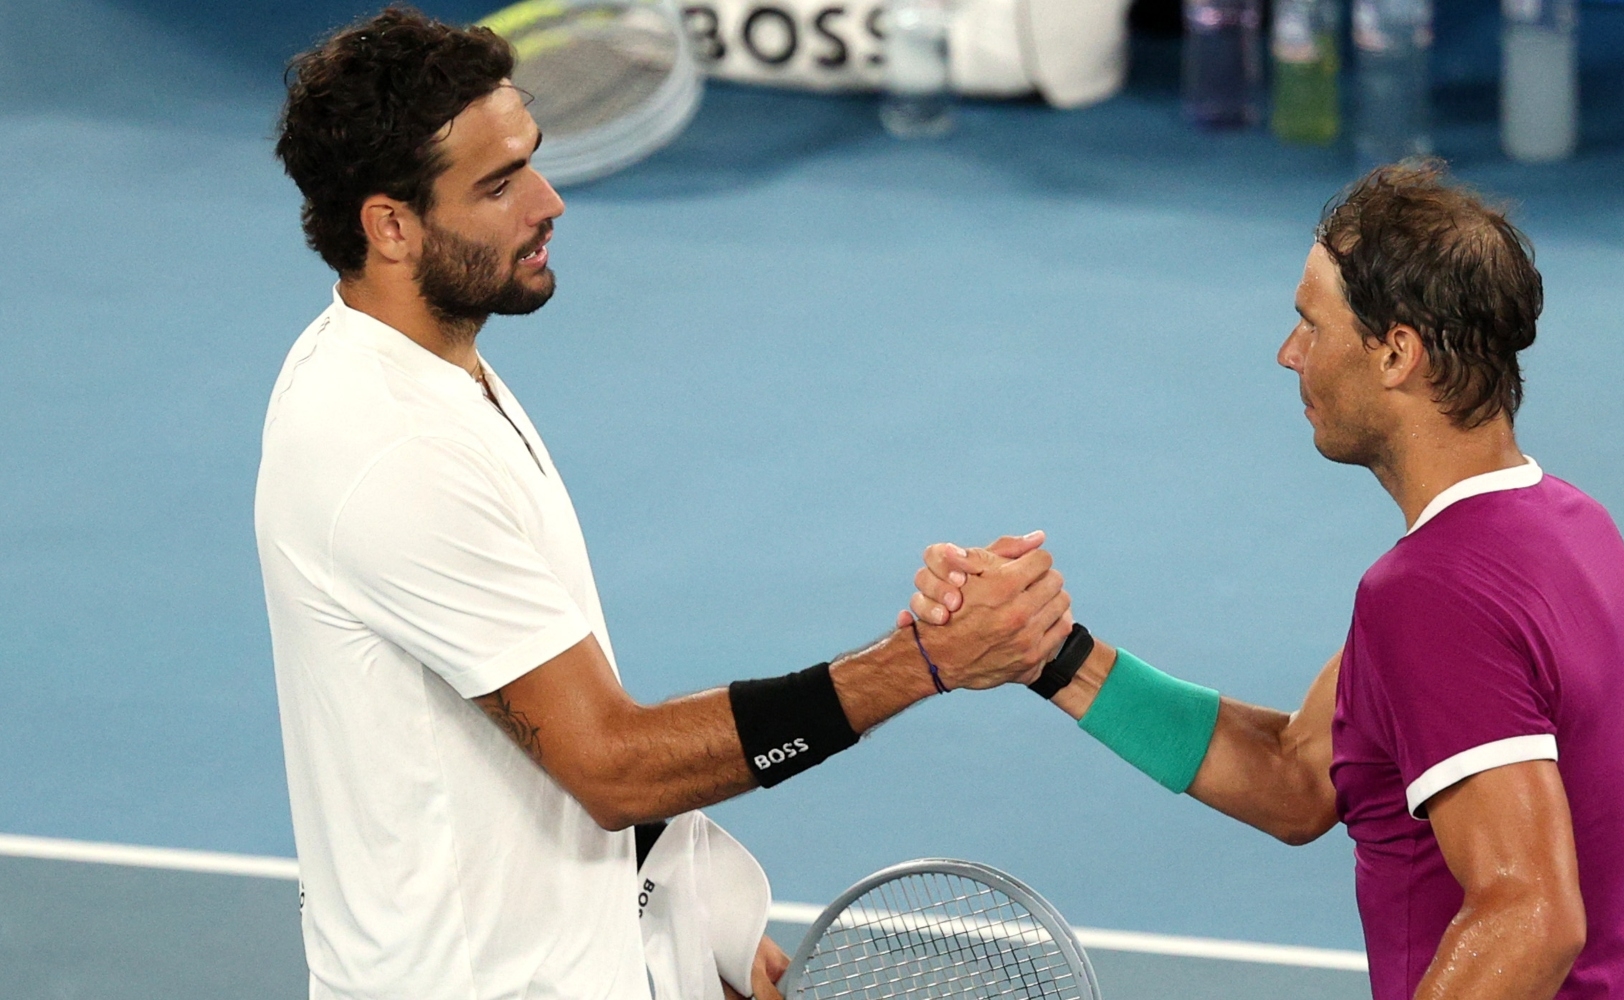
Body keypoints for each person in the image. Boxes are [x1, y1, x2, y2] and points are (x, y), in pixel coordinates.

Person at [256, 8, 1072, 1000]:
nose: (548, 201)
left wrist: (693, 924)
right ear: (389, 224)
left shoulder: (437, 379)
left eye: (533, 162)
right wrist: (919, 664)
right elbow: (610, 764)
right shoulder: (390, 456)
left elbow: (535, 733)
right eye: (500, 183)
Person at [909, 162, 1624, 1000]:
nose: (1288, 353)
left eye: (1311, 324)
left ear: (1397, 352)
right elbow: (1298, 778)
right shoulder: (1569, 527)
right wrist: (1050, 655)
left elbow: (1529, 919)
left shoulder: (1431, 593)